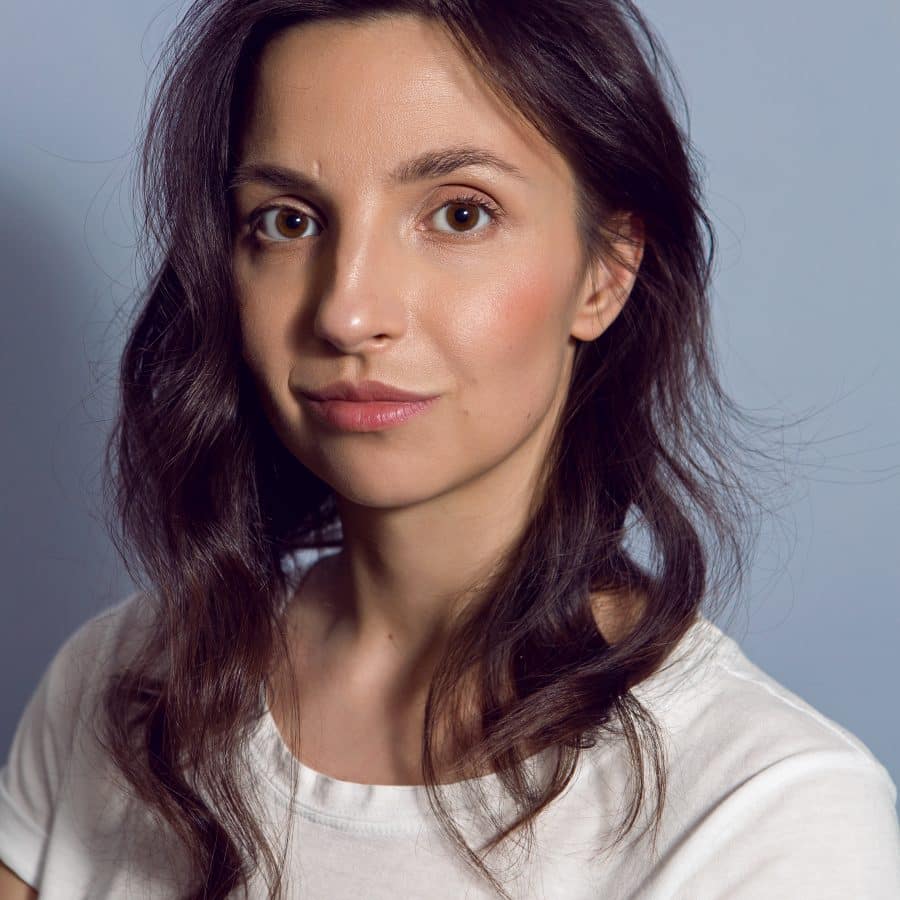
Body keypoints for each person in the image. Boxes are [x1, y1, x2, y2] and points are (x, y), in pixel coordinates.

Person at [1, 2, 898, 898]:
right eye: (287, 221)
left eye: (460, 215)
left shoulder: (765, 811)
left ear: (607, 271)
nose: (347, 312)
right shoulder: (122, 682)